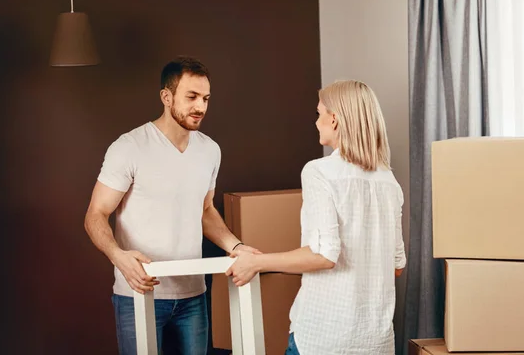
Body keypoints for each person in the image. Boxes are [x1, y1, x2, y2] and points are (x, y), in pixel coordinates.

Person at [84, 56, 260, 355]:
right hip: (139, 293)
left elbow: (205, 210)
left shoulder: (209, 150)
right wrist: (118, 256)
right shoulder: (129, 147)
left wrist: (236, 246)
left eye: (205, 98)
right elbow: (96, 214)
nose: (200, 107)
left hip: (194, 295)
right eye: (191, 97)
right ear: (166, 97)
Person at [226, 80, 406, 355]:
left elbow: (324, 255)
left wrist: (256, 263)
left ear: (334, 120)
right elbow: (396, 266)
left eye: (319, 113)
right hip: (375, 343)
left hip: (323, 338)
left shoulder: (319, 172)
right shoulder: (388, 180)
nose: (316, 121)